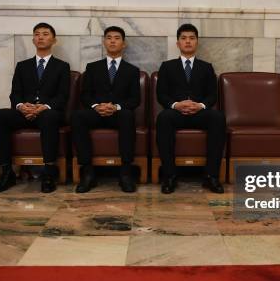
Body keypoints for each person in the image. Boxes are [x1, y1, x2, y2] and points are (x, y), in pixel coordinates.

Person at [0, 23, 71, 193]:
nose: (41, 37)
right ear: (33, 40)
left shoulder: (62, 66)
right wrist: (21, 106)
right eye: (37, 34)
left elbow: (63, 96)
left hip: (49, 113)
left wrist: (44, 107)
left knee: (49, 117)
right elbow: (15, 94)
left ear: (54, 40)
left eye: (45, 34)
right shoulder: (22, 66)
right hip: (25, 112)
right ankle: (6, 172)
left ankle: (49, 173)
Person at [156, 23, 226, 194]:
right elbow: (161, 94)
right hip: (176, 113)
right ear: (178, 43)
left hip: (200, 113)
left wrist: (200, 105)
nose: (188, 41)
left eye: (192, 38)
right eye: (184, 38)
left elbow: (212, 95)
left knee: (218, 118)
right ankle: (170, 176)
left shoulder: (206, 67)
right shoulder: (167, 66)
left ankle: (211, 176)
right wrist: (176, 105)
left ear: (197, 42)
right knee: (163, 118)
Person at [72, 26, 141, 193]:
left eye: (117, 38)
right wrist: (97, 106)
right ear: (104, 42)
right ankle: (88, 172)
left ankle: (125, 172)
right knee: (78, 116)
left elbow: (135, 99)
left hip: (118, 114)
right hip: (96, 113)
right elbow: (85, 95)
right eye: (109, 37)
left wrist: (115, 107)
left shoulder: (132, 71)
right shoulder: (92, 67)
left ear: (123, 43)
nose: (112, 41)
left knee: (127, 115)